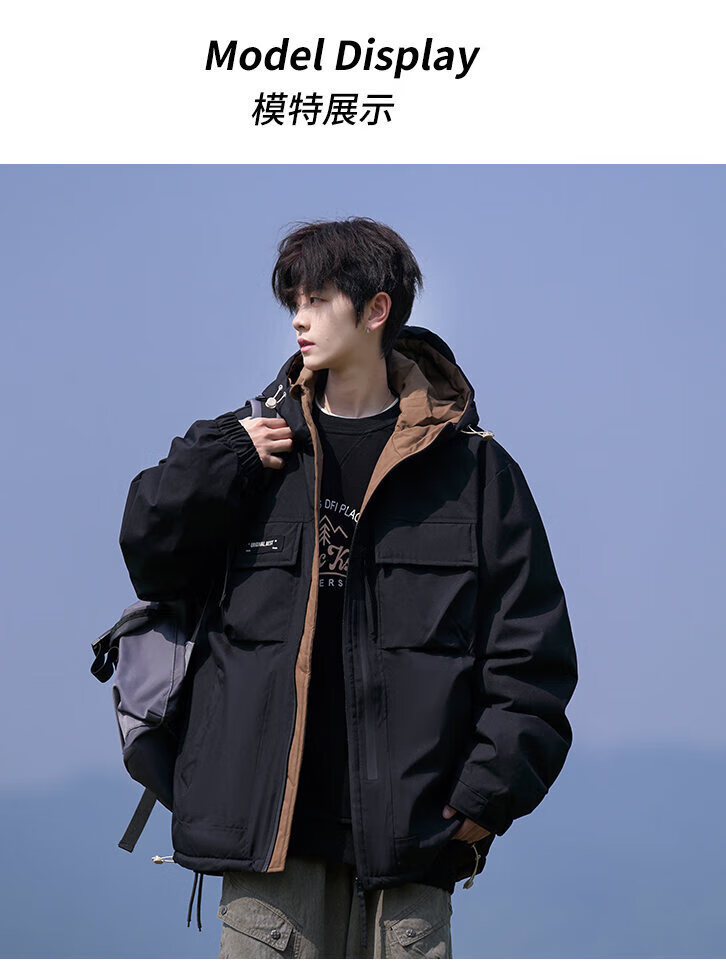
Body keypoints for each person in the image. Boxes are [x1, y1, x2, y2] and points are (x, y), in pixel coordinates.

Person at [119, 217, 578, 959]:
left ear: (376, 309)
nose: (298, 318)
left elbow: (533, 656)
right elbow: (150, 555)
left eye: (318, 298)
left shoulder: (474, 473)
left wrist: (484, 799)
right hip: (268, 850)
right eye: (293, 300)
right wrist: (222, 457)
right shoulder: (253, 449)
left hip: (411, 850)